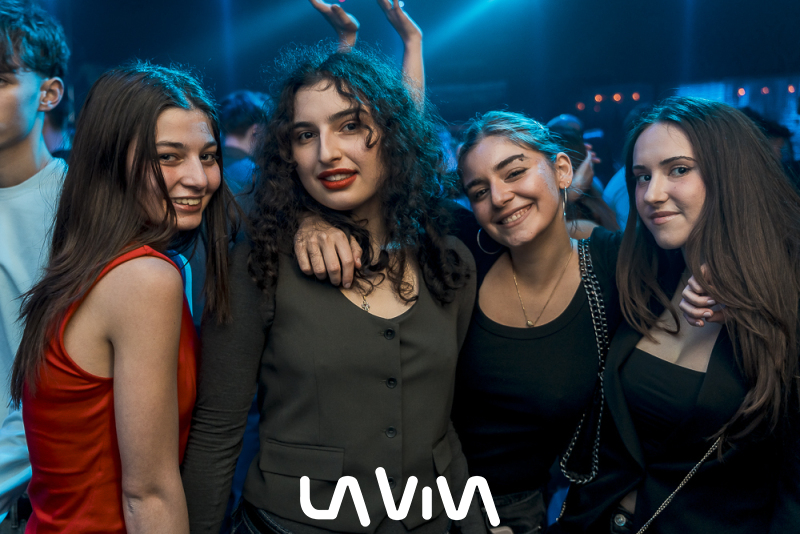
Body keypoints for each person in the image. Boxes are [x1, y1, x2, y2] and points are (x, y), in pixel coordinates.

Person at [180, 40, 480, 534]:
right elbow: (216, 432)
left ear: (393, 134)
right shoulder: (258, 265)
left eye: (350, 125)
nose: (327, 153)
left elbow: (446, 424)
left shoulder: (450, 264)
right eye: (305, 134)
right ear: (288, 155)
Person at [552, 97, 800, 533]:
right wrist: (565, 192)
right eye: (642, 176)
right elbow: (539, 238)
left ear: (730, 173)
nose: (652, 194)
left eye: (679, 170)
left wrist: (752, 303)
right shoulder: (642, 272)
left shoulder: (786, 298)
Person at [12, 62, 234, 534]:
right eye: (169, 157)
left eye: (208, 156)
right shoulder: (144, 278)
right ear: (111, 162)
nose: (199, 178)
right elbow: (147, 495)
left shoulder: (85, 265)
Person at [0, 1, 68, 527]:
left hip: (39, 499)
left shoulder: (79, 207)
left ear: (48, 94)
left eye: (0, 80)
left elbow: (61, 387)